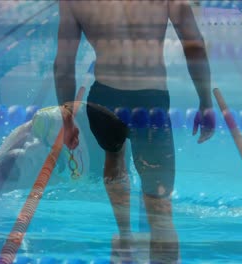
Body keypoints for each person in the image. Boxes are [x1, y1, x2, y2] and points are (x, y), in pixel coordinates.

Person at [54, 1, 215, 263]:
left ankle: (125, 235)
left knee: (114, 155)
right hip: (149, 104)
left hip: (103, 101)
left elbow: (63, 64)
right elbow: (193, 43)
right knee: (160, 212)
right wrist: (205, 101)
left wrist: (67, 120)